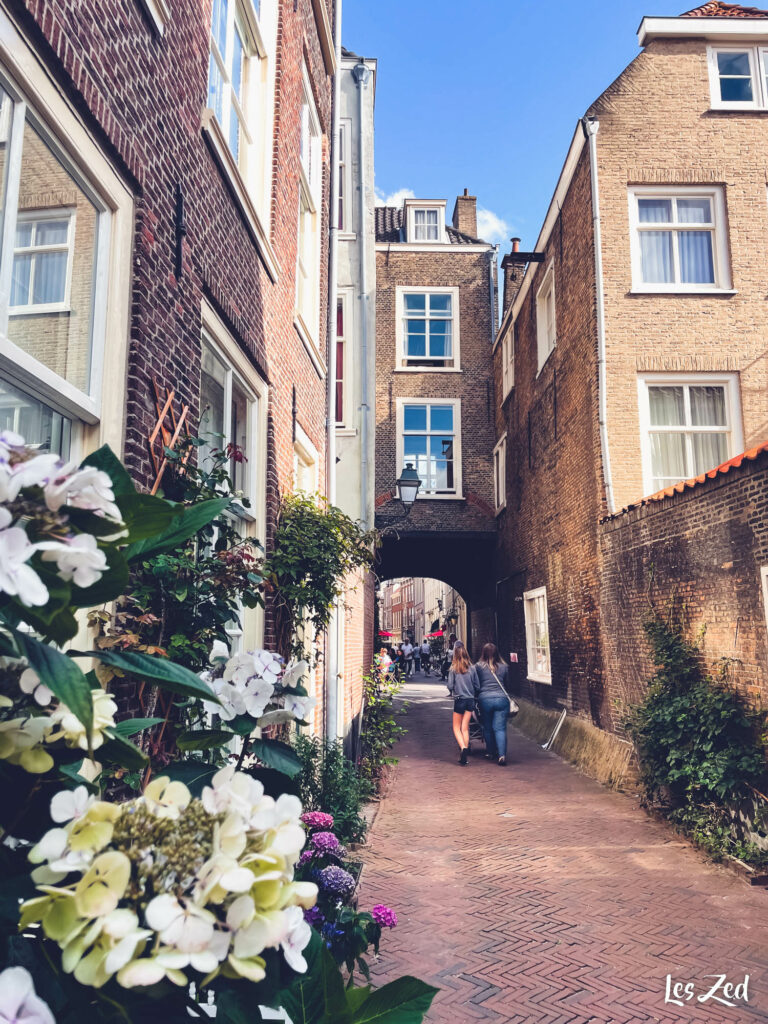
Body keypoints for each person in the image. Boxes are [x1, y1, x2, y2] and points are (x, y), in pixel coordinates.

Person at [475, 642, 511, 766]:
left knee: (488, 728)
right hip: (501, 699)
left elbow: (476, 684)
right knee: (500, 728)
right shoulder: (504, 666)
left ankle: (490, 752)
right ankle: (502, 755)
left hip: (485, 699)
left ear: (483, 653)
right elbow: (507, 684)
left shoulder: (478, 666)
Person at [446, 642, 479, 765]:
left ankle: (463, 748)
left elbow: (449, 685)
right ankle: (465, 750)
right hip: (470, 700)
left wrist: (454, 689)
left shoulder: (453, 668)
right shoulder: (473, 668)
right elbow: (477, 685)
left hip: (459, 700)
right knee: (465, 728)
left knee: (456, 727)